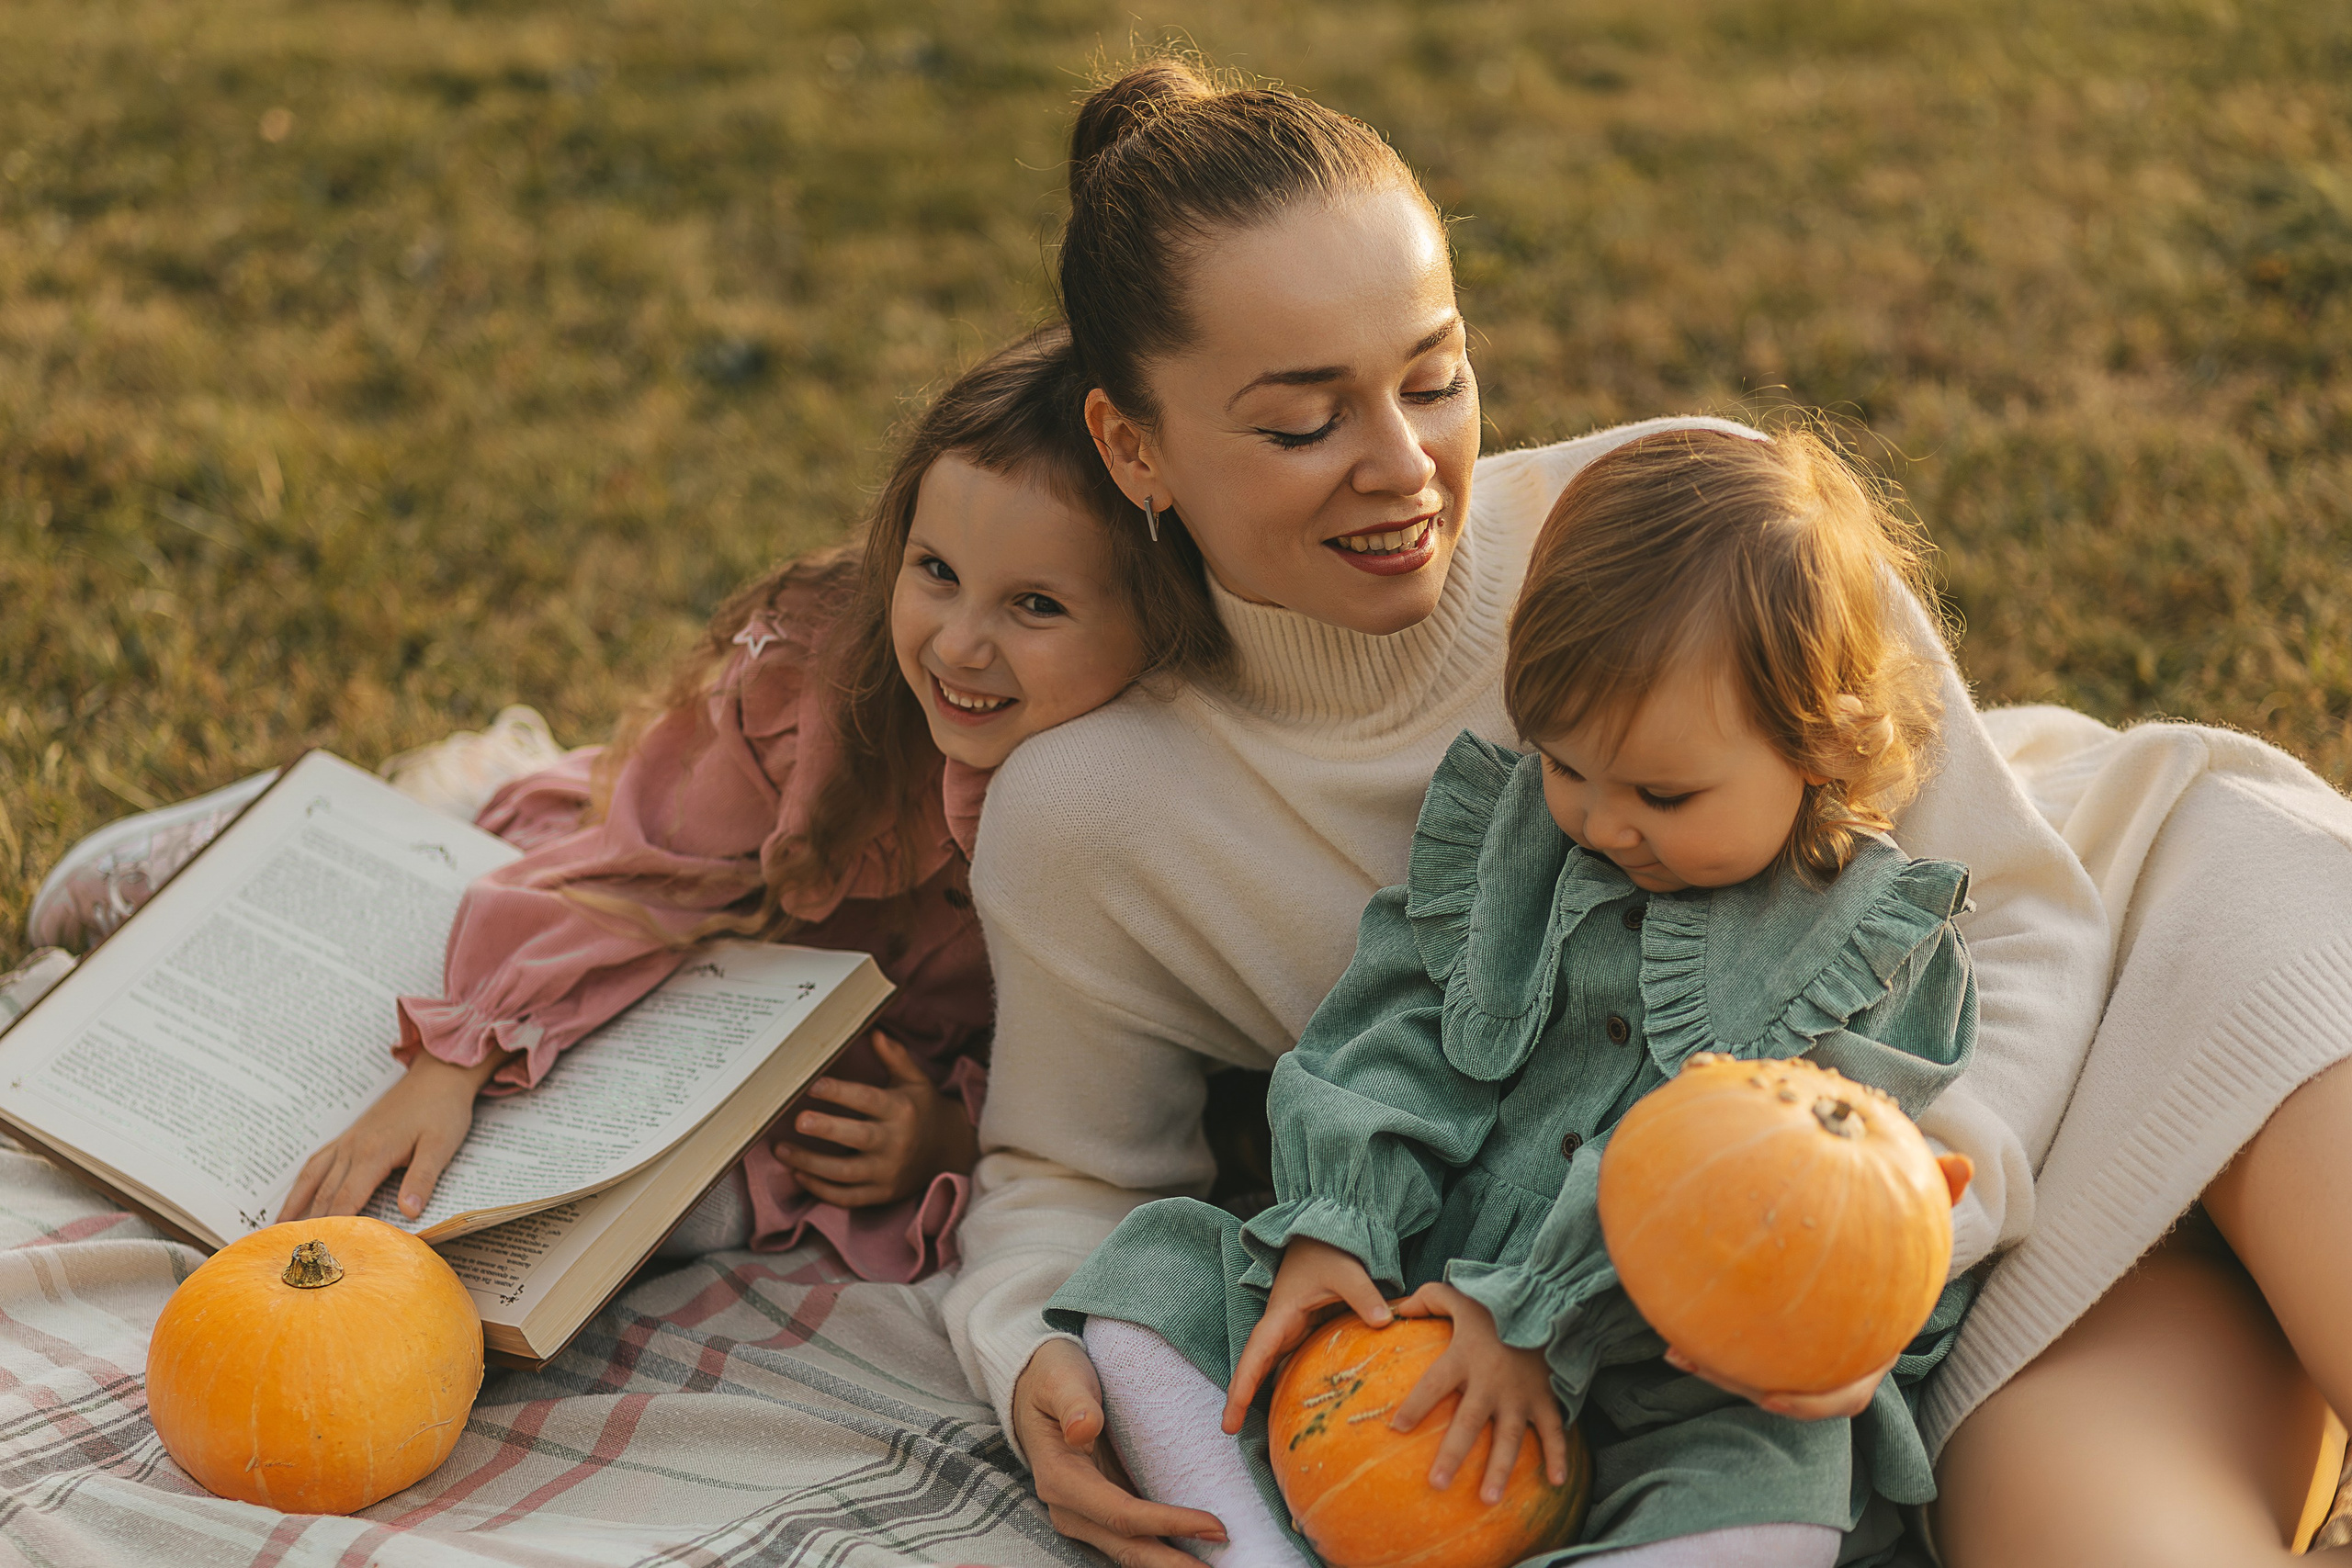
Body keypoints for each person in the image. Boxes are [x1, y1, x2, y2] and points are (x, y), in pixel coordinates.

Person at [946, 59, 2352, 1568]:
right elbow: (1070, 1175)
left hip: (2146, 968)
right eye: (1303, 423)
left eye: (1434, 376)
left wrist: (1893, 1236)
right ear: (1133, 446)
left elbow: (2012, 902)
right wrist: (1033, 1346)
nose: (1406, 464)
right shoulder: (1096, 815)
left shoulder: (1675, 513)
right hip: (1856, 1323)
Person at [1044, 424, 1985, 1568]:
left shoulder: (1871, 942)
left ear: (1820, 744)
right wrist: (1337, 1224)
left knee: (1778, 1494)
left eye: (1664, 793)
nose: (1602, 821)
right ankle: (1250, 1549)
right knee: (1150, 1286)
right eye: (1565, 764)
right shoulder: (1507, 844)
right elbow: (1391, 1034)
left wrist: (1546, 1314)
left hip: (1663, 1364)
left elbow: (1817, 1203)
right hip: (1417, 1295)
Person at [275, 324, 1227, 1281]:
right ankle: (228, 842)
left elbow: (1112, 1072)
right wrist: (456, 1061)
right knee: (470, 858)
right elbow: (639, 879)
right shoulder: (817, 690)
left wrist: (953, 1137)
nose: (959, 645)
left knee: (718, 1194)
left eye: (1035, 606)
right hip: (706, 943)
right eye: (935, 572)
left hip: (845, 1074)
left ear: (1156, 622)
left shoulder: (1152, 802)